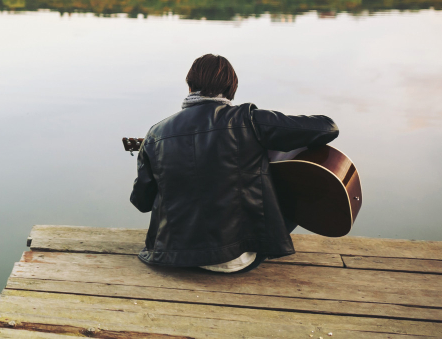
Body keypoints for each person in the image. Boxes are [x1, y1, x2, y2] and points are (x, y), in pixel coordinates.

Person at [130, 54, 338, 273]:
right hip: (238, 257)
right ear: (232, 89)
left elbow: (141, 201)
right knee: (294, 181)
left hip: (173, 256)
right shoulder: (248, 120)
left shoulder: (156, 133)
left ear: (190, 87)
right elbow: (328, 127)